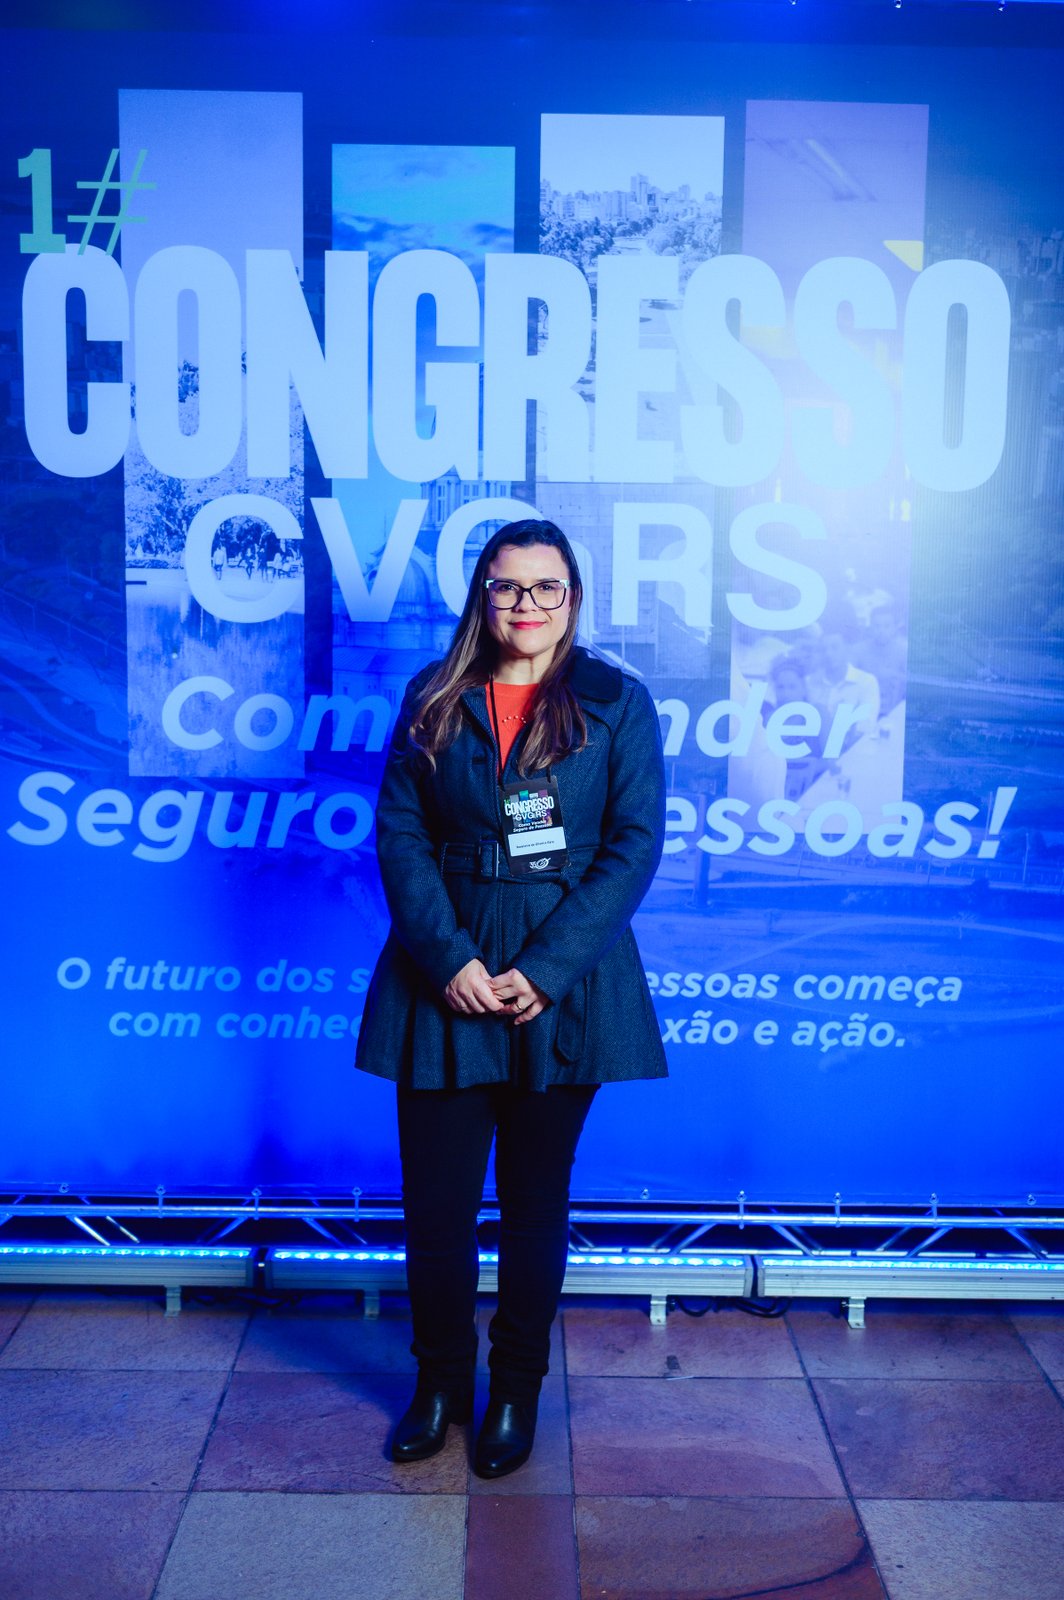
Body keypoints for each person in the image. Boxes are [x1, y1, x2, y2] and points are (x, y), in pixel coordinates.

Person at [355, 518, 667, 1479]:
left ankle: (515, 1392)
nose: (526, 605)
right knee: (436, 1210)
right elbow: (401, 835)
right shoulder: (433, 695)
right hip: (441, 972)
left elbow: (634, 846)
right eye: (507, 587)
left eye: (546, 588)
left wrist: (546, 968)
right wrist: (447, 956)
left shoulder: (617, 702)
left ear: (572, 598)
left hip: (563, 979)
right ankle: (439, 1387)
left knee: (535, 1207)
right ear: (481, 596)